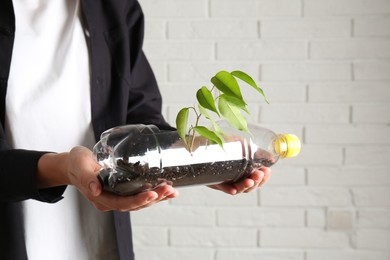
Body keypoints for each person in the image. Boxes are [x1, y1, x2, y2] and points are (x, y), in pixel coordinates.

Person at [0, 0, 271, 259]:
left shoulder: (113, 7)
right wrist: (65, 168)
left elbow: (140, 111)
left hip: (100, 243)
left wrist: (194, 159)